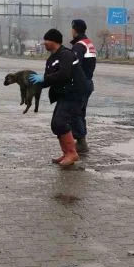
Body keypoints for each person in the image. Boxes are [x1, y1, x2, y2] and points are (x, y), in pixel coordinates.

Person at [29, 29, 87, 167]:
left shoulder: (66, 54)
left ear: (54, 41)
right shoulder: (51, 59)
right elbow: (48, 79)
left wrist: (44, 78)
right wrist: (34, 83)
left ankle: (72, 153)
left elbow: (64, 75)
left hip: (75, 93)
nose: (44, 43)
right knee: (56, 125)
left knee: (60, 122)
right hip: (64, 94)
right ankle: (67, 153)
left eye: (46, 40)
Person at [69, 19, 96, 153]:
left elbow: (74, 66)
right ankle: (81, 141)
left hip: (80, 84)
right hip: (87, 82)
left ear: (75, 30)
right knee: (80, 112)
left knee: (75, 113)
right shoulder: (88, 43)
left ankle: (81, 142)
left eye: (72, 28)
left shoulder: (79, 46)